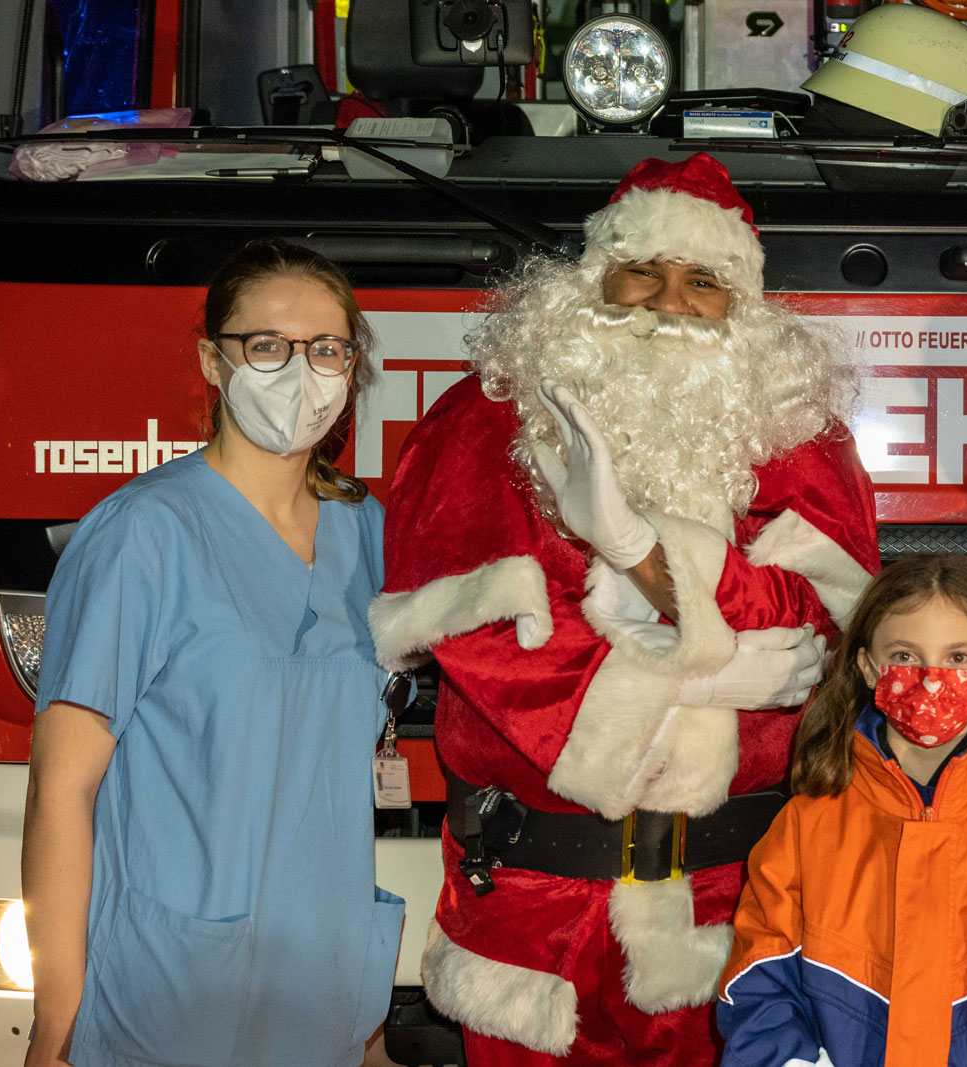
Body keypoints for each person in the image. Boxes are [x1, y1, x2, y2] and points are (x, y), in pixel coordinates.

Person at [370, 153, 879, 1067]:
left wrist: (638, 557)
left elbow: (826, 626)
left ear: (744, 306)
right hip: (533, 907)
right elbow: (490, 643)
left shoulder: (799, 432)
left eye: (704, 281)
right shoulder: (484, 421)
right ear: (592, 278)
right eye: (642, 270)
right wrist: (715, 665)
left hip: (732, 901)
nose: (666, 302)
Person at [20, 238, 401, 1067]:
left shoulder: (368, 533)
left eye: (327, 348)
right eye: (267, 346)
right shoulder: (141, 535)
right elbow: (62, 786)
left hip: (322, 981)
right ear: (211, 359)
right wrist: (56, 1020)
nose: (301, 371)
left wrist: (365, 1027)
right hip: (169, 985)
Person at [717, 554, 967, 1067]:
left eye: (959, 657)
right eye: (905, 656)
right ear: (868, 666)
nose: (932, 679)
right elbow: (757, 988)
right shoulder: (807, 824)